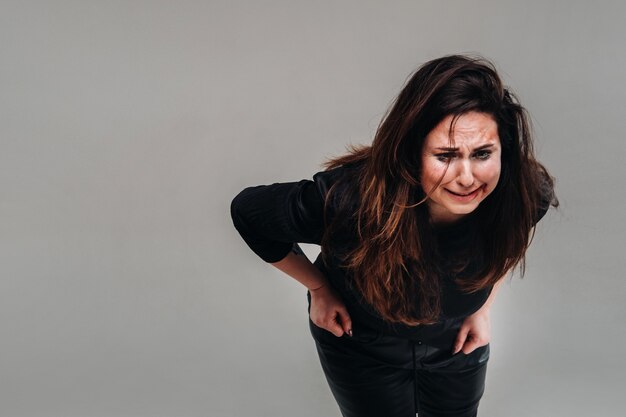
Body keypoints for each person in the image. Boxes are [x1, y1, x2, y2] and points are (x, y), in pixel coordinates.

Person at [230, 54, 558, 417]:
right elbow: (249, 212)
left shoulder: (523, 194)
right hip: (362, 348)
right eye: (446, 155)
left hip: (455, 346)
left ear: (504, 153)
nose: (467, 177)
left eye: (482, 154)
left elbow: (510, 240)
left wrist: (483, 306)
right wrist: (319, 288)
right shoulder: (348, 202)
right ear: (411, 153)